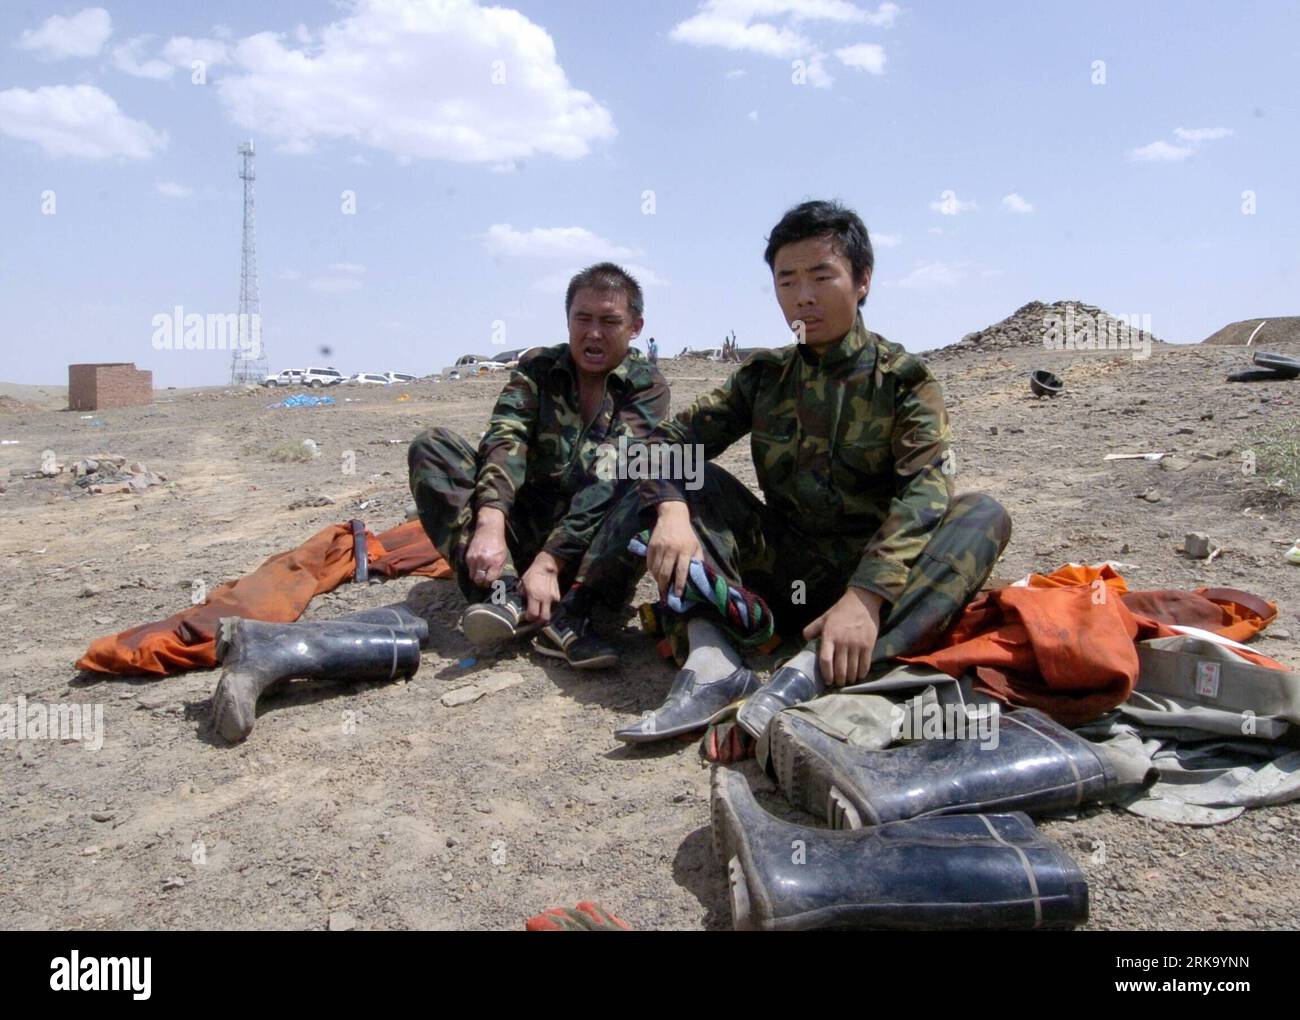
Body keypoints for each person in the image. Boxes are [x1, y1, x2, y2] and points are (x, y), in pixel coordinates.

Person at [587, 200, 1011, 743]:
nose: (803, 297)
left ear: (862, 281)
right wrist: (670, 509)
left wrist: (865, 597)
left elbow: (923, 489)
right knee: (692, 480)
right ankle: (714, 666)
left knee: (982, 515)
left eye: (821, 276)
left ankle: (808, 672)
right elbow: (665, 443)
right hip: (782, 569)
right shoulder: (764, 377)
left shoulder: (903, 380)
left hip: (872, 581)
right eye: (786, 281)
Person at [407, 263, 669, 668]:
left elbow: (609, 476)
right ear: (567, 320)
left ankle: (571, 614)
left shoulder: (646, 386)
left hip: (591, 547)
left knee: (651, 473)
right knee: (433, 447)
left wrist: (550, 561)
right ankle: (504, 593)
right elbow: (504, 438)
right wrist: (490, 524)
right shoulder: (539, 368)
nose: (593, 333)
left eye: (609, 321)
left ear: (635, 326)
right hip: (522, 530)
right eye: (582, 319)